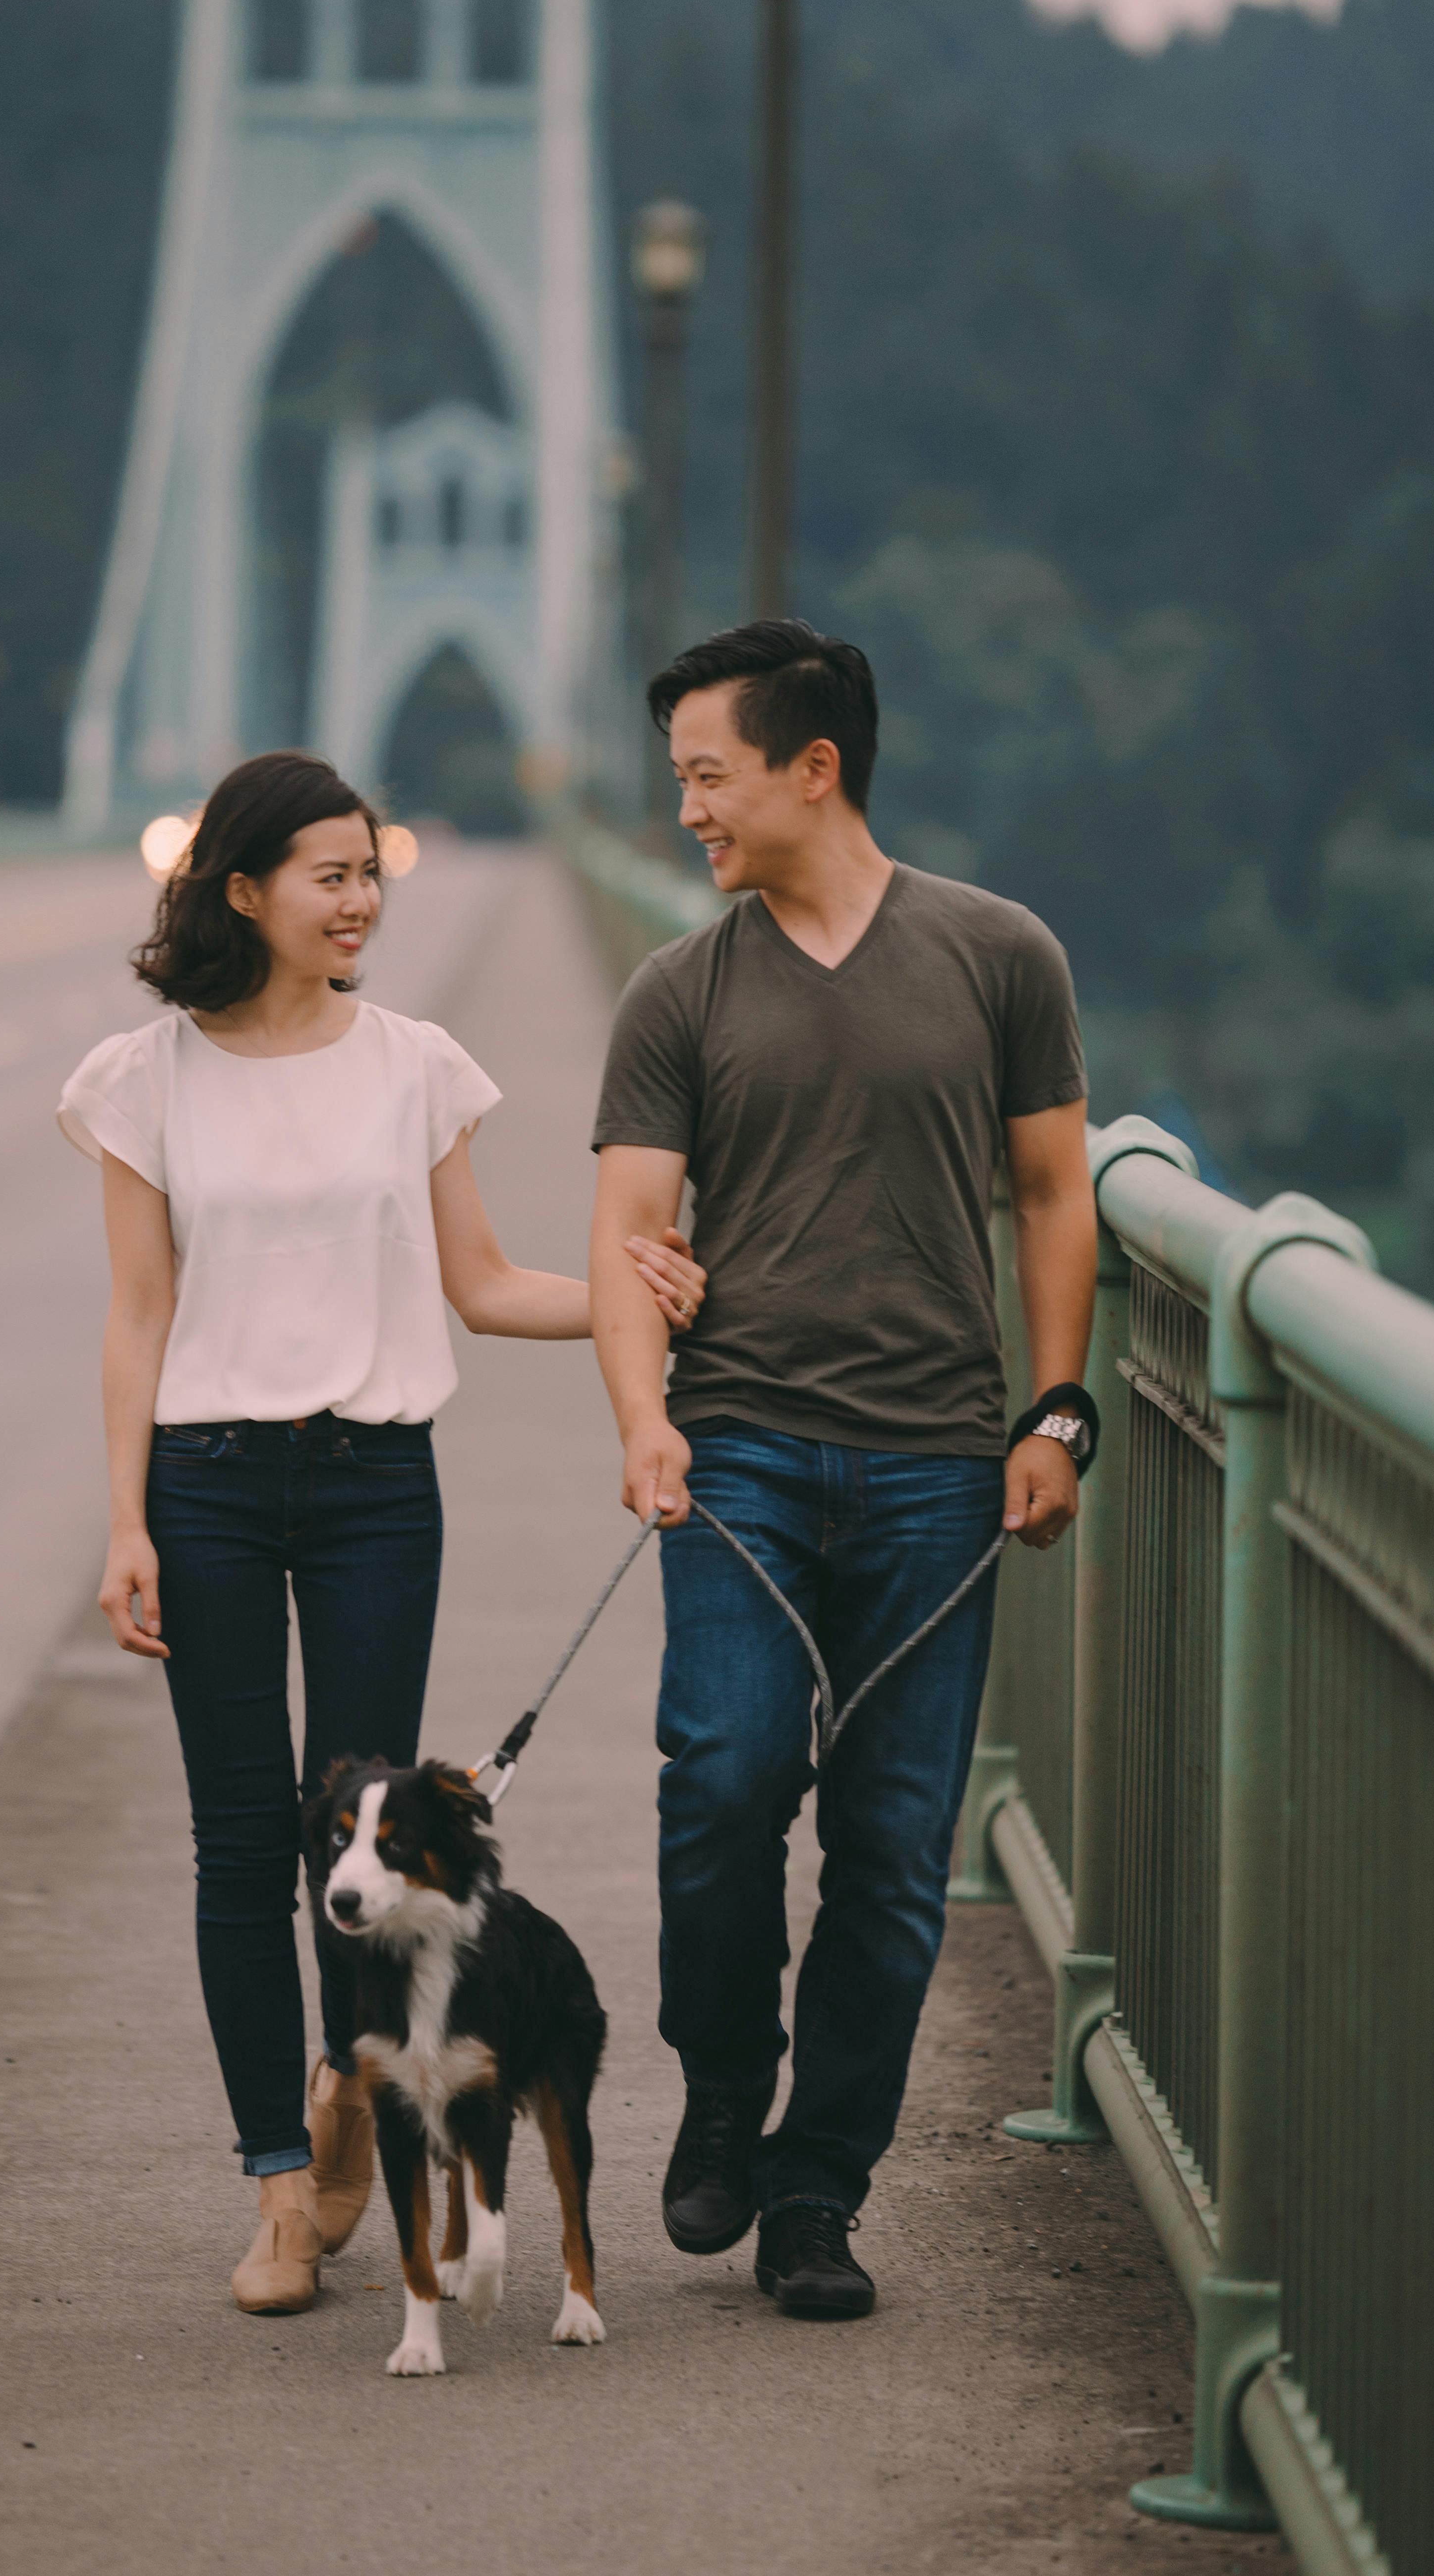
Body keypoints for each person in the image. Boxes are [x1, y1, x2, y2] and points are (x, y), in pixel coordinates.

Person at [59, 751, 704, 2320]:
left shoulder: (413, 1061)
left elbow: (480, 1285)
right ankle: (282, 2192)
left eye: (370, 875)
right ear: (244, 890)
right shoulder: (143, 1078)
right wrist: (129, 1519)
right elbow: (138, 1313)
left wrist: (654, 1296)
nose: (360, 901)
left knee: (360, 1845)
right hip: (207, 1480)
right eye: (330, 876)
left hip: (373, 1488)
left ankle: (355, 2094)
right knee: (238, 1839)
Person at [589, 621, 1096, 2322]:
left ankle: (819, 2188)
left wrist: (1057, 1408)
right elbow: (625, 1233)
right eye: (678, 783)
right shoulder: (682, 988)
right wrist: (644, 1417)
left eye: (708, 776)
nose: (687, 814)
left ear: (815, 767)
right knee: (722, 1783)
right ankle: (725, 2078)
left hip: (944, 1469)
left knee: (892, 1850)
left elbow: (1051, 1194)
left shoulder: (1001, 953)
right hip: (737, 1450)